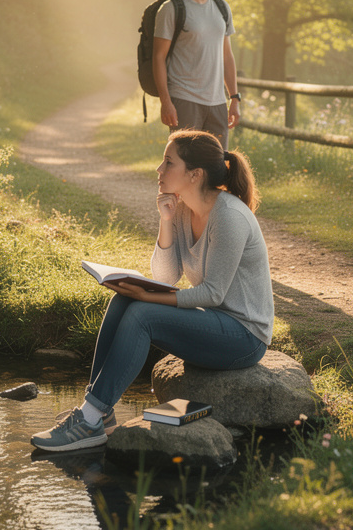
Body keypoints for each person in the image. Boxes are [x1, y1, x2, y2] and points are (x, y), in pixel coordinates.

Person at [31, 130, 272, 452]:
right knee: (123, 300)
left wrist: (148, 297)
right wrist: (166, 220)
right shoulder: (183, 209)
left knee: (142, 313)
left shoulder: (229, 216)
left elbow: (213, 294)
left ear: (195, 174)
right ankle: (98, 414)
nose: (159, 170)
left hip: (244, 337)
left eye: (168, 162)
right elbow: (166, 276)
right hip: (214, 322)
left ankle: (88, 420)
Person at [153, 0, 242, 149]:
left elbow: (227, 57)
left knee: (217, 162)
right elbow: (158, 58)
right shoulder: (171, 9)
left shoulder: (221, 6)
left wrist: (234, 98)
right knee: (185, 161)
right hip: (184, 99)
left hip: (217, 102)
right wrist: (166, 102)